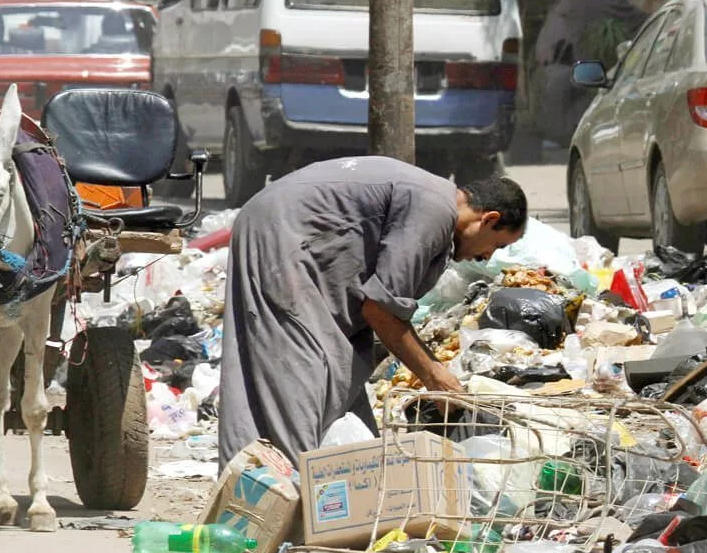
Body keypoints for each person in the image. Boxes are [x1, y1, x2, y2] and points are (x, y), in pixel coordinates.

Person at [218, 156, 528, 470]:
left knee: (339, 371)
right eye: (497, 245)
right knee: (300, 373)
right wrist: (435, 376)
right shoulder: (435, 210)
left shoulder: (433, 201)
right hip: (281, 233)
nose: (488, 258)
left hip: (288, 231)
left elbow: (379, 305)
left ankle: (342, 488)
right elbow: (380, 311)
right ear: (488, 219)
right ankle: (281, 494)